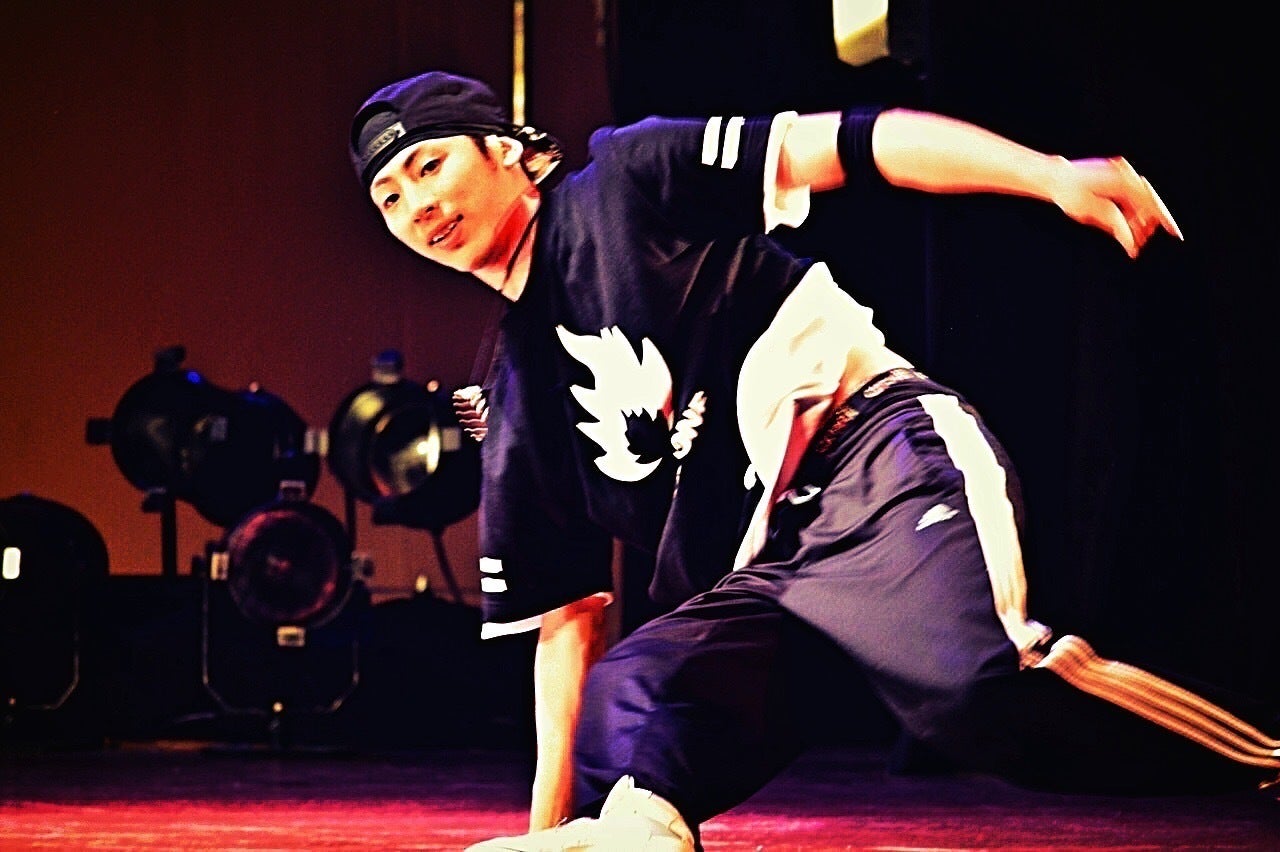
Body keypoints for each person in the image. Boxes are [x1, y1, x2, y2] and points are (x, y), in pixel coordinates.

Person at [346, 70, 1280, 851]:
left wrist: (1047, 176)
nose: (418, 205)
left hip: (875, 457)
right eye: (389, 196)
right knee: (625, 703)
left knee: (977, 689)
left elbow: (857, 142)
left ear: (506, 151)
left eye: (430, 165)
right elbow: (567, 627)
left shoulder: (623, 182)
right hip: (768, 575)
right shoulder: (515, 397)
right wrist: (548, 832)